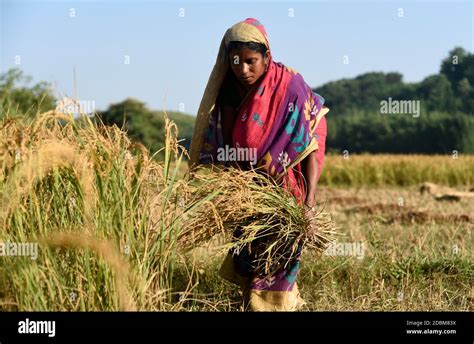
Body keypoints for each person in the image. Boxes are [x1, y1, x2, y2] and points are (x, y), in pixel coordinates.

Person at [188, 17, 329, 311]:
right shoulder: (229, 89)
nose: (243, 69)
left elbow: (307, 149)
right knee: (251, 227)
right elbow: (230, 146)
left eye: (251, 61)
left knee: (286, 225)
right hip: (254, 166)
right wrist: (237, 191)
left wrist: (309, 203)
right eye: (236, 61)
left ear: (267, 57)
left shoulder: (290, 86)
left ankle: (275, 301)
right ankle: (259, 295)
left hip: (300, 148)